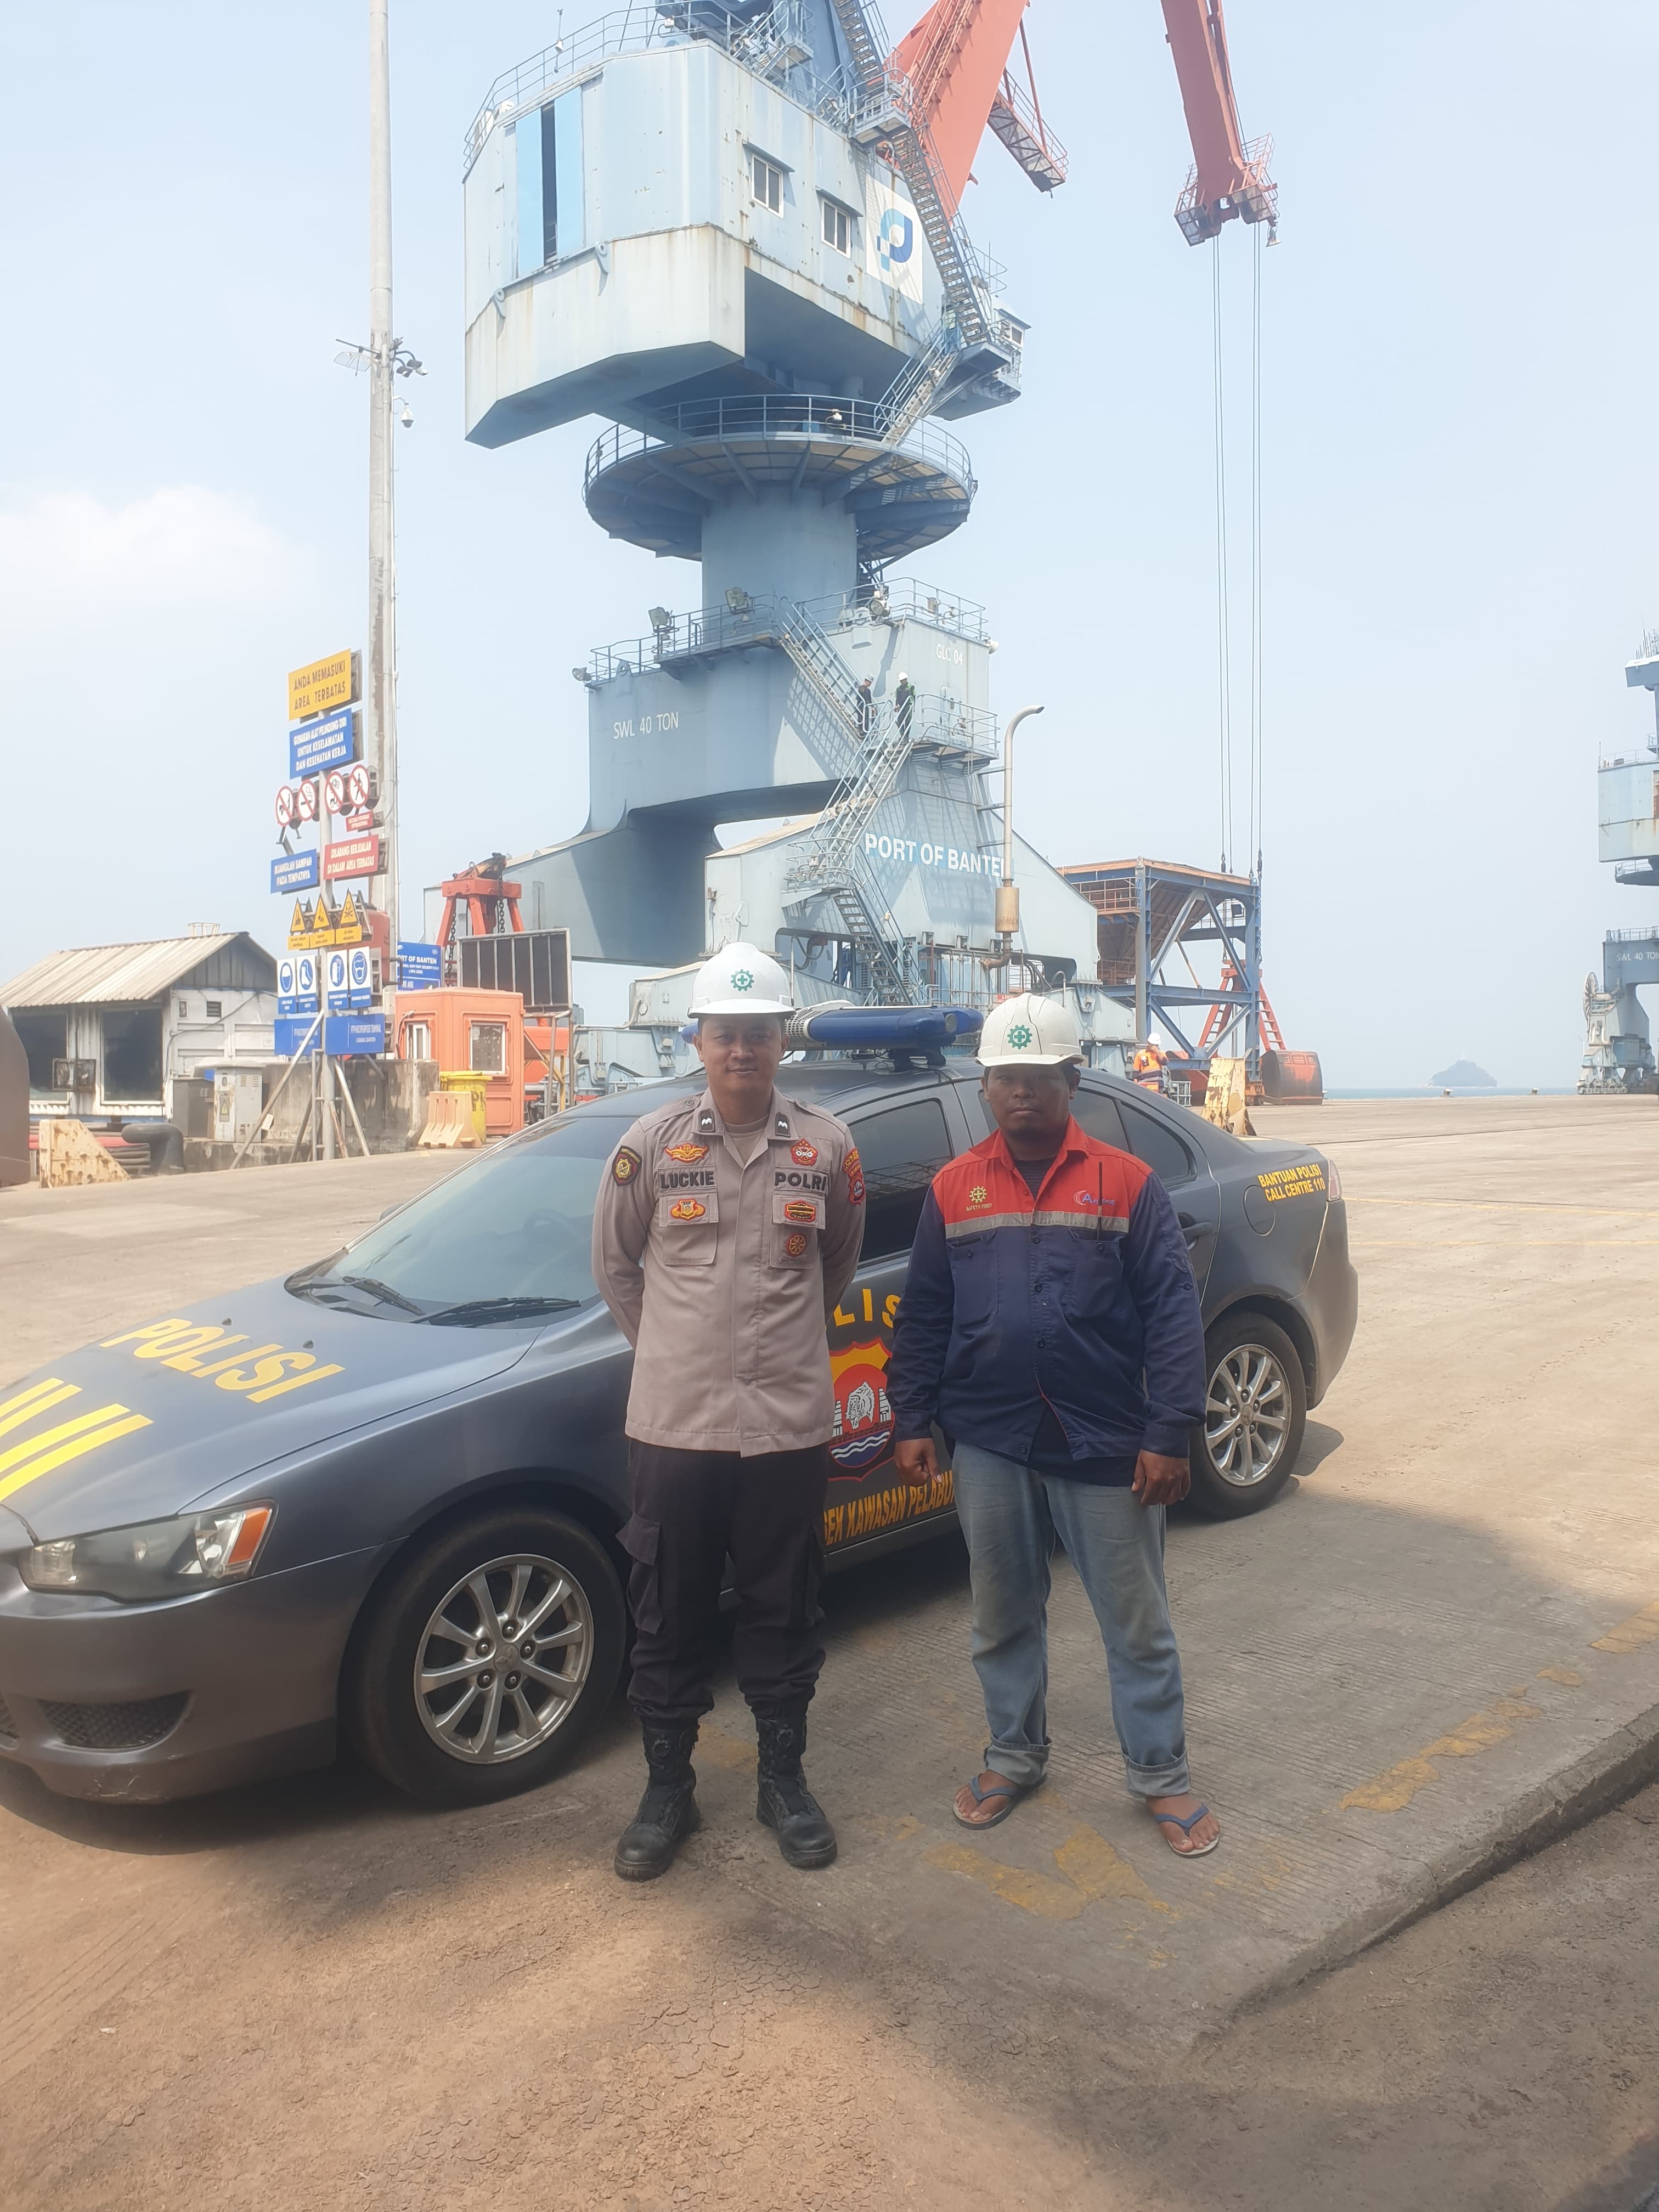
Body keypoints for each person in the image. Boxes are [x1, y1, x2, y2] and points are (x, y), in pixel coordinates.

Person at [887, 994, 1220, 1858]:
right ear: (985, 1086)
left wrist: (1168, 1432)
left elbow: (1173, 1316)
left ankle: (1161, 1773)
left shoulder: (1128, 1183)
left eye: (1039, 1077)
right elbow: (925, 1314)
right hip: (991, 1440)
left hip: (1104, 1439)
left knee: (1135, 1623)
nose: (1021, 1093)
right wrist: (913, 1416)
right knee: (1001, 1616)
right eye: (1006, 1077)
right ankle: (1014, 1756)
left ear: (1073, 1081)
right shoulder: (953, 1189)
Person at [591, 943, 866, 1881]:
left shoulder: (827, 1148)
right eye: (724, 1033)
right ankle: (667, 1790)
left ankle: (781, 1781)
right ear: (697, 1040)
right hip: (675, 1426)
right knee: (666, 1610)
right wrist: (678, 1352)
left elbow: (834, 1266)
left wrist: (774, 1351)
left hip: (786, 1427)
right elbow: (616, 1267)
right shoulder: (649, 1144)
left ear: (782, 1040)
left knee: (784, 1606)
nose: (741, 1049)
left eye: (758, 1032)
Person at [893, 672, 916, 740]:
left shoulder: (911, 687)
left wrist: (913, 707)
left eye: (902, 680)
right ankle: (903, 736)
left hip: (908, 706)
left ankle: (906, 736)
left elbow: (914, 697)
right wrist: (896, 705)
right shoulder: (899, 688)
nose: (901, 682)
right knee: (899, 721)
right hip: (901, 706)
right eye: (900, 681)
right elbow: (897, 697)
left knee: (908, 722)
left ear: (906, 679)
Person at [855, 675, 875, 741]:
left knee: (866, 720)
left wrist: (872, 707)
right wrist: (870, 706)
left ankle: (865, 732)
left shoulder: (868, 691)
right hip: (861, 707)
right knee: (861, 718)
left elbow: (869, 700)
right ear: (866, 681)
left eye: (871, 683)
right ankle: (861, 730)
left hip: (866, 707)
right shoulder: (861, 688)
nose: (870, 684)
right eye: (869, 682)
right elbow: (865, 697)